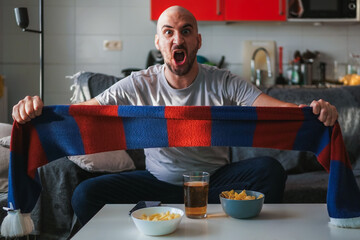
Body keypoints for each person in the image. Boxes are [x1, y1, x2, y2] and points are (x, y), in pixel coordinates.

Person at [12, 6, 338, 226]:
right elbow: (83, 113)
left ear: (198, 40)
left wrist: (312, 113)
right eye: (168, 32)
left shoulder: (222, 80)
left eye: (185, 31)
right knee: (85, 194)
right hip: (159, 183)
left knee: (269, 170)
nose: (177, 39)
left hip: (214, 183)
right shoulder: (139, 82)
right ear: (158, 42)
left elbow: (269, 106)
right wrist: (36, 112)